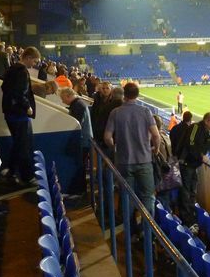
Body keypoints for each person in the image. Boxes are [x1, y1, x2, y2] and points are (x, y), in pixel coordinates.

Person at [104, 82, 160, 218]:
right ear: (137, 94)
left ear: (124, 94)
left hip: (124, 161)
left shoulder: (115, 112)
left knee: (127, 196)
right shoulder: (145, 111)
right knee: (147, 196)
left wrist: (115, 148)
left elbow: (107, 137)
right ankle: (146, 230)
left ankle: (130, 228)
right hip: (144, 161)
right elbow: (156, 135)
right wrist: (156, 149)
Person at [174, 111, 210, 232]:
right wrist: (201, 157)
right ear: (207, 121)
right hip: (186, 164)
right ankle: (187, 221)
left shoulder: (207, 133)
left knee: (191, 192)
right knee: (186, 192)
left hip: (193, 166)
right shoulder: (195, 128)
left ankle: (191, 218)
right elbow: (190, 144)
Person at [0, 47, 42, 184]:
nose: (34, 65)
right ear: (28, 57)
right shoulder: (22, 72)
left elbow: (4, 88)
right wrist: (27, 106)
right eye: (34, 61)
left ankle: (10, 170)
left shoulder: (11, 69)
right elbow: (20, 93)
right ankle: (27, 176)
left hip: (9, 112)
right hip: (19, 114)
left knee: (18, 143)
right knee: (24, 145)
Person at [60, 86, 93, 195]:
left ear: (68, 96)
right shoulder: (78, 104)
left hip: (82, 141)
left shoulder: (78, 105)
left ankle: (79, 192)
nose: (62, 100)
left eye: (63, 98)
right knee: (79, 166)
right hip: (84, 140)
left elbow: (76, 124)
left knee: (79, 166)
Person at [154, 115, 180, 213]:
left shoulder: (156, 139)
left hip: (162, 172)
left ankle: (166, 217)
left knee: (162, 198)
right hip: (170, 169)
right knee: (167, 196)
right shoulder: (165, 135)